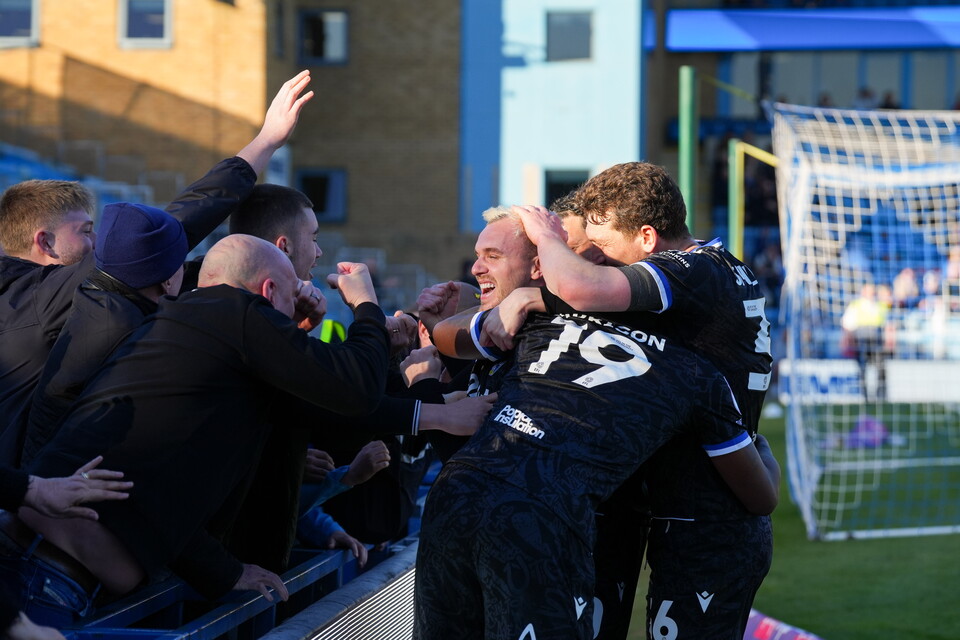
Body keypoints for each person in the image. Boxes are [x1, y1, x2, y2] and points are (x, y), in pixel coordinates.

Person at [8, 234, 390, 627]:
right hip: (44, 579)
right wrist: (365, 304)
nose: (298, 310)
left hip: (49, 574)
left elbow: (158, 489)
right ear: (269, 290)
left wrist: (227, 571)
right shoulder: (235, 314)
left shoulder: (185, 328)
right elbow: (356, 389)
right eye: (293, 296)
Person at [470, 162, 775, 639]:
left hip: (707, 512)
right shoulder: (703, 280)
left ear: (649, 238)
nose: (600, 259)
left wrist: (545, 247)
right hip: (667, 503)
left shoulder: (691, 271)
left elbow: (582, 288)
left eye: (606, 247)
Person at [0, 69, 315, 467]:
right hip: (35, 502)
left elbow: (163, 270)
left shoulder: (22, 301)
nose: (98, 243)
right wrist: (265, 142)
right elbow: (165, 232)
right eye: (85, 231)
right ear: (44, 242)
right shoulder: (41, 298)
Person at [413, 310, 780, 640]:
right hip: (540, 515)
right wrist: (763, 450)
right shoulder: (697, 374)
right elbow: (762, 498)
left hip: (455, 491)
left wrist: (519, 301)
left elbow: (449, 333)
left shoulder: (547, 321)